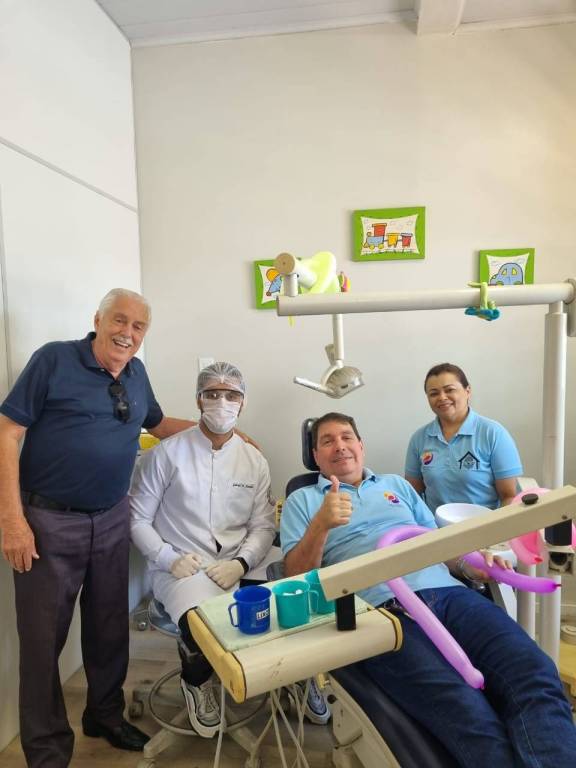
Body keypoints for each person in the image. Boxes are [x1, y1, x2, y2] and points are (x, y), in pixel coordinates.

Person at [280, 412, 576, 767]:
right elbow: (295, 577)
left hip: (449, 594)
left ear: (361, 445)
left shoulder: (396, 486)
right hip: (382, 614)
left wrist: (473, 567)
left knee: (536, 674)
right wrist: (321, 525)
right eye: (327, 441)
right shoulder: (303, 500)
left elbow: (436, 545)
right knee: (466, 709)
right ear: (315, 455)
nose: (339, 446)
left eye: (346, 437)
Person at [0, 288, 194, 768]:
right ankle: (47, 751)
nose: (127, 333)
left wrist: (222, 432)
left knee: (110, 627)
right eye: (119, 321)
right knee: (43, 643)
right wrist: (12, 520)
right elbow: (7, 432)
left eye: (138, 326)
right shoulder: (54, 360)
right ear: (98, 320)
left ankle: (104, 715)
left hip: (111, 518)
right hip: (49, 522)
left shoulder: (137, 373)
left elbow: (157, 424)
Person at [130, 362, 284, 738]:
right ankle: (197, 680)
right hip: (184, 565)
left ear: (243, 402)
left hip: (240, 558)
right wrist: (168, 558)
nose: (222, 402)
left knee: (294, 592)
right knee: (206, 626)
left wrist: (242, 562)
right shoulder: (166, 454)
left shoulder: (253, 459)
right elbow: (136, 520)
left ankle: (291, 679)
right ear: (199, 400)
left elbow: (264, 526)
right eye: (212, 394)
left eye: (231, 395)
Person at [405, 363, 522, 513]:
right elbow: (413, 495)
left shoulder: (493, 433)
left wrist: (496, 527)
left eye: (449, 390)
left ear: (468, 391)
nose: (442, 397)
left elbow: (509, 496)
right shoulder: (419, 439)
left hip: (484, 524)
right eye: (434, 393)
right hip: (435, 526)